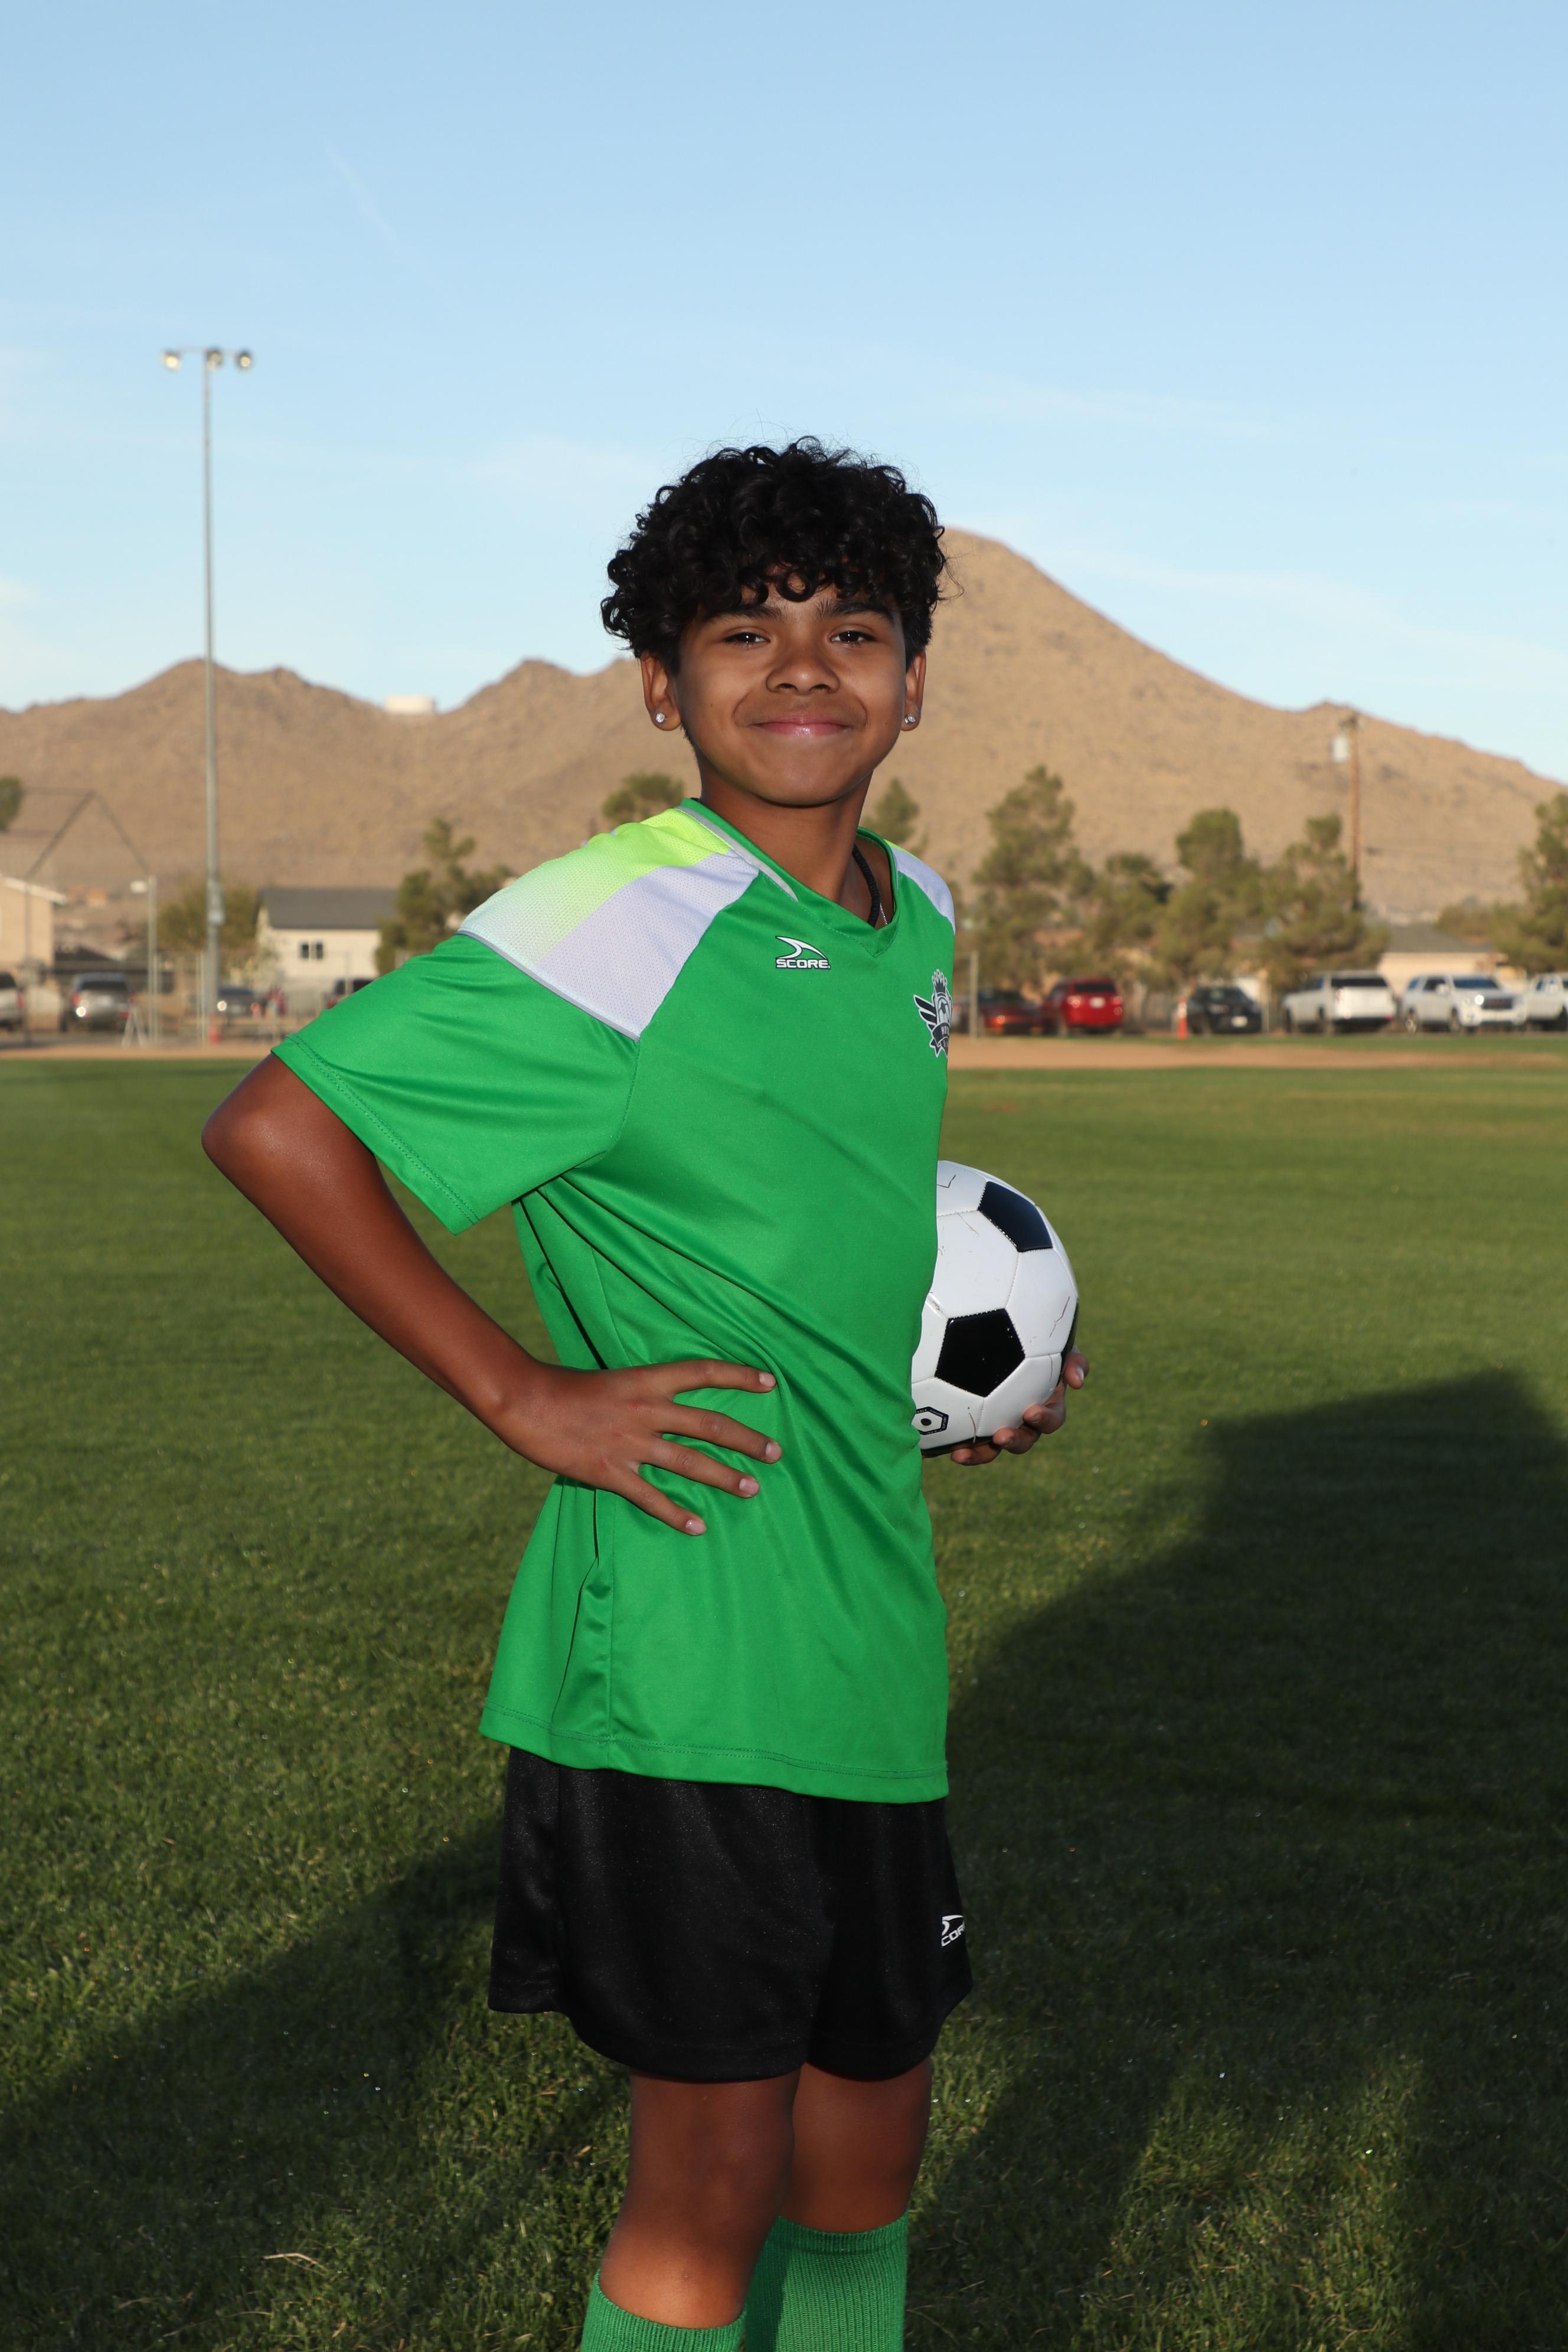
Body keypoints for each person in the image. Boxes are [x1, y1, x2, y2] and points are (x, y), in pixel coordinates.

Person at [202, 440, 1088, 2352]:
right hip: (683, 1647)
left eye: (853, 631)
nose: (804, 669)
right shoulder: (613, 920)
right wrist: (524, 1392)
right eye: (744, 632)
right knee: (711, 2181)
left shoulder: (920, 917)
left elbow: (825, 1218)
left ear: (914, 681)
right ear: (662, 686)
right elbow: (278, 1128)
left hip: (868, 1643)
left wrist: (966, 1388)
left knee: (868, 2152)